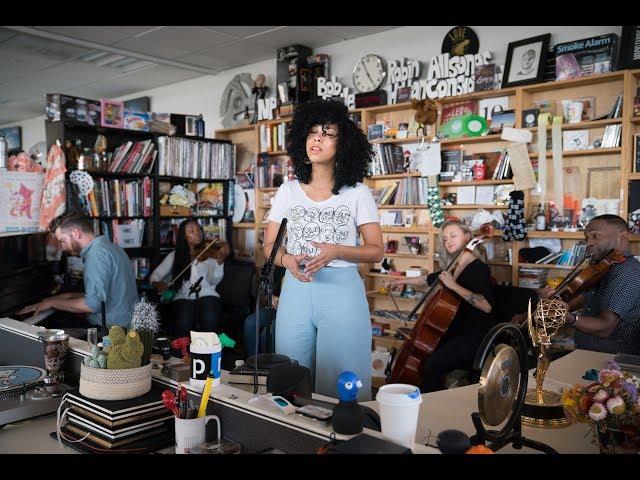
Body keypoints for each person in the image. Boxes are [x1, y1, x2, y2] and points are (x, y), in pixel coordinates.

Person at [264, 99, 384, 401]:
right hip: (296, 288)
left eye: (327, 133)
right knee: (291, 376)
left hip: (342, 290)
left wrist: (337, 251)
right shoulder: (287, 190)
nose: (317, 139)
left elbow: (375, 251)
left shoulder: (357, 192)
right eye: (312, 132)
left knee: (340, 381)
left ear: (343, 144)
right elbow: (269, 246)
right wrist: (287, 259)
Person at [387, 220, 494, 393]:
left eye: (453, 236)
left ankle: (433, 407)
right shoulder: (454, 266)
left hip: (472, 336)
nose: (448, 241)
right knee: (422, 354)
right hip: (452, 331)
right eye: (445, 238)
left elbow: (486, 306)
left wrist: (454, 286)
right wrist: (400, 281)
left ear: (467, 237)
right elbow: (427, 279)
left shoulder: (478, 268)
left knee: (431, 365)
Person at [17, 211, 138, 328]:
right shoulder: (111, 247)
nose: (62, 248)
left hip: (111, 332)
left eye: (62, 241)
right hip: (125, 324)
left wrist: (51, 303)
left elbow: (91, 305)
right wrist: (54, 299)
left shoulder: (96, 255)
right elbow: (101, 295)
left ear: (76, 233)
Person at [542, 215, 640, 355]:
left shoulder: (628, 273)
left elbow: (606, 327)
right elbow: (585, 297)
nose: (589, 243)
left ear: (623, 236)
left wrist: (568, 317)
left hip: (609, 362)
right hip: (588, 353)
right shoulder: (605, 267)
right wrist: (557, 301)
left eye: (595, 236)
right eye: (587, 237)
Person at [150, 218, 229, 338]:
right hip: (183, 296)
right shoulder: (175, 256)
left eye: (198, 229)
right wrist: (158, 283)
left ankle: (206, 354)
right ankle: (182, 354)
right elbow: (155, 275)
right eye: (191, 231)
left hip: (208, 295)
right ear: (184, 237)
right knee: (183, 322)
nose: (197, 233)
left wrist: (219, 263)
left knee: (209, 319)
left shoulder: (211, 253)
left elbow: (215, 281)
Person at [243, 265, 286, 357]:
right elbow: (267, 294)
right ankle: (253, 363)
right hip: (275, 308)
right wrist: (271, 297)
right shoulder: (280, 267)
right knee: (250, 322)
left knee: (266, 333)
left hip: (291, 312)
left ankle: (271, 366)